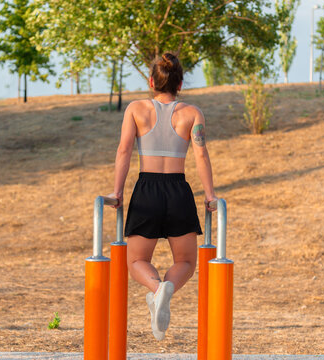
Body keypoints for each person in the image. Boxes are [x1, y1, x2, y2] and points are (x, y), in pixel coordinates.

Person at [107, 52, 217, 340]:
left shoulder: (136, 109)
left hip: (147, 191)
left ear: (151, 81)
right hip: (178, 191)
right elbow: (201, 154)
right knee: (186, 262)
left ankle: (157, 289)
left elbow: (124, 151)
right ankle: (166, 288)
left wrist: (117, 192)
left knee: (136, 261)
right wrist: (210, 195)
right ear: (180, 84)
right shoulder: (193, 113)